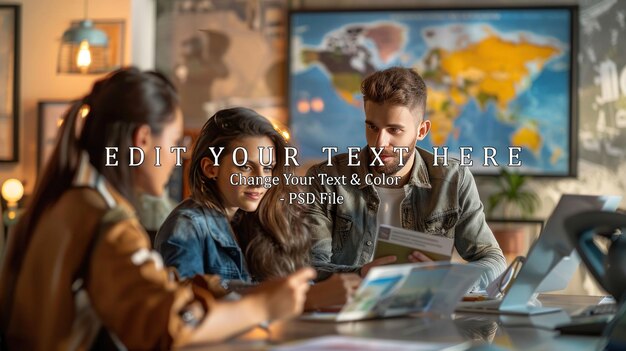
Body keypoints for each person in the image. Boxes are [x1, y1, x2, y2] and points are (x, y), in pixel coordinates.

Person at [0, 68, 314, 350]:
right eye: (174, 142)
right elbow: (169, 326)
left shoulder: (71, 202)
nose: (177, 158)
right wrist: (262, 307)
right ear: (143, 139)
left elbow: (153, 291)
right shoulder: (106, 222)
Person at [305, 67, 506, 289]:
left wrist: (449, 278)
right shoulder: (325, 178)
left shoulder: (454, 179)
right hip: (348, 314)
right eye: (372, 127)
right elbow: (311, 266)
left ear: (422, 131)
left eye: (394, 130)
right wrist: (361, 273)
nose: (380, 142)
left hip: (423, 316)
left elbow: (493, 260)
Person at [155, 107, 361, 310]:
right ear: (211, 169)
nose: (260, 180)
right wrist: (305, 299)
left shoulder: (254, 217)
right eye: (245, 166)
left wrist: (358, 275)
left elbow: (300, 277)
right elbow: (187, 309)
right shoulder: (188, 227)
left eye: (268, 168)